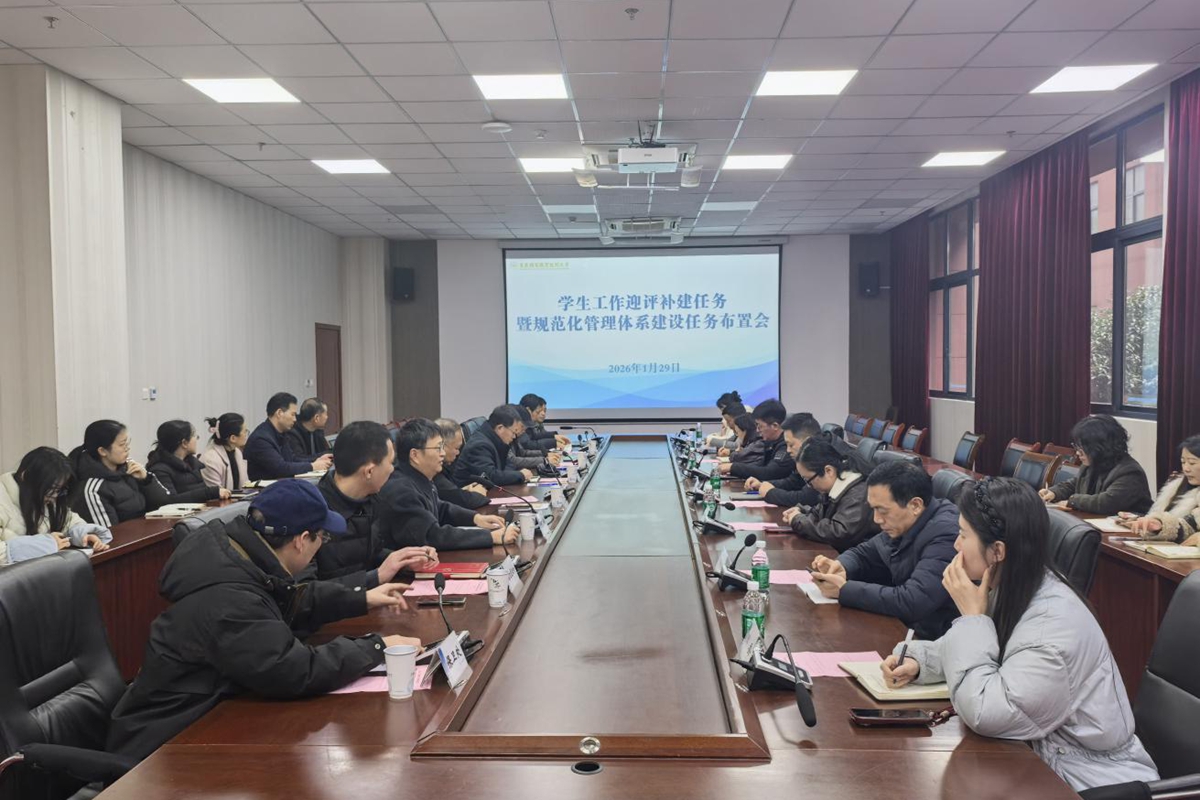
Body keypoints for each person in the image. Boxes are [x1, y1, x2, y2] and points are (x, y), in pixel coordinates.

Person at [106, 480, 424, 762]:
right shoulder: (230, 598)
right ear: (301, 539)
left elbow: (291, 600)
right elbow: (295, 670)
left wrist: (360, 596)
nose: (320, 546)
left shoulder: (242, 556)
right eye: (322, 537)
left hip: (208, 722)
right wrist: (377, 647)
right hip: (162, 749)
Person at [881, 478, 1158, 792]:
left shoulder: (1053, 625)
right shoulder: (1016, 585)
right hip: (1036, 763)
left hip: (1089, 783)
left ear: (998, 550)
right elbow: (987, 648)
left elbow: (987, 712)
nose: (956, 546)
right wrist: (922, 661)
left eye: (963, 535)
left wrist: (972, 619)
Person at [810, 461, 959, 639]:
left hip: (932, 640)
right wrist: (841, 566)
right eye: (873, 509)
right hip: (905, 628)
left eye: (882, 511)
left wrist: (845, 590)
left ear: (915, 505)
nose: (877, 519)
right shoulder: (904, 523)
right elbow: (864, 553)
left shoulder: (946, 534)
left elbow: (913, 601)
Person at [311, 420, 439, 586]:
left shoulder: (371, 498)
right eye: (390, 463)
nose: (393, 469)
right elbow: (305, 592)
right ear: (370, 471)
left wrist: (404, 560)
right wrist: (377, 576)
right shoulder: (311, 511)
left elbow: (371, 555)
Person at [378, 418, 519, 551]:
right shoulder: (401, 490)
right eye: (438, 448)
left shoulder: (419, 477)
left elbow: (441, 508)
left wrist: (476, 518)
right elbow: (431, 536)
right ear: (415, 455)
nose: (442, 453)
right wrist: (490, 537)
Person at [1, 446, 111, 565]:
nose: (55, 496)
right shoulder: (4, 498)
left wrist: (83, 535)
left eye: (59, 490)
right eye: (52, 489)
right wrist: (43, 545)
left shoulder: (46, 497)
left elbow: (69, 521)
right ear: (25, 476)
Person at [746, 413, 871, 508]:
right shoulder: (813, 450)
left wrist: (771, 493)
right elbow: (794, 481)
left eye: (791, 445)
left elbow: (808, 498)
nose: (788, 450)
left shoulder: (826, 455)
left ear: (807, 440)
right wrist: (763, 484)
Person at [1040, 414, 1152, 515]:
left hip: (1128, 529)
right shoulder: (1092, 464)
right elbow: (1074, 484)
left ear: (1101, 447)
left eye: (1082, 448)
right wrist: (1054, 493)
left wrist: (1072, 501)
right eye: (1076, 446)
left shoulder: (1130, 472)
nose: (1077, 453)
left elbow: (1106, 502)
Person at [782, 439, 878, 552]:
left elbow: (839, 533)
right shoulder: (834, 487)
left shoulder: (858, 494)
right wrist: (802, 511)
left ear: (828, 471)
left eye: (809, 481)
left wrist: (799, 521)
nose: (809, 486)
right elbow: (821, 513)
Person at [70, 420, 170, 526]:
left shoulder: (128, 469)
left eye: (127, 443)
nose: (127, 448)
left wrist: (146, 479)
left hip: (149, 531)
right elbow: (107, 533)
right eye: (122, 445)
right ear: (102, 451)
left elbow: (164, 504)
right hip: (131, 536)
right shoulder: (93, 489)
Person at [1123, 434, 1200, 543]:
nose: (1186, 468)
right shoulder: (1178, 485)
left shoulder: (1129, 470)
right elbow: (1188, 526)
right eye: (1183, 462)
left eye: (1192, 463)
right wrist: (1160, 525)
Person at [245, 392, 333, 481]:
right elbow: (281, 468)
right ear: (279, 413)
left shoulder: (281, 433)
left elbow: (293, 459)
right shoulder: (261, 439)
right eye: (292, 414)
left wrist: (317, 460)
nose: (295, 419)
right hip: (267, 488)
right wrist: (312, 466)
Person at [147, 420, 230, 504]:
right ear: (184, 443)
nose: (197, 439)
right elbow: (170, 501)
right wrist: (210, 493)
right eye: (194, 436)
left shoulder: (193, 464)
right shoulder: (159, 470)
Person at [453, 405, 534, 487]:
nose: (514, 437)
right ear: (500, 428)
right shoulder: (480, 445)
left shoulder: (497, 440)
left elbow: (510, 464)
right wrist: (520, 475)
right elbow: (489, 477)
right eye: (513, 432)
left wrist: (509, 475)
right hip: (472, 493)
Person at [719, 399, 793, 481]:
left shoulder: (786, 445)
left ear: (775, 426)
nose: (757, 430)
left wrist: (733, 467)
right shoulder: (770, 442)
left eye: (760, 426)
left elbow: (769, 473)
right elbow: (759, 467)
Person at [433, 418, 489, 510]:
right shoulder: (433, 471)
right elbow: (464, 501)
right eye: (456, 448)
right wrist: (478, 493)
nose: (458, 453)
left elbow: (450, 494)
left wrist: (462, 491)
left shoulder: (446, 466)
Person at [200, 413, 250, 491]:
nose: (246, 435)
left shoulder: (237, 452)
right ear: (233, 438)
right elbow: (216, 493)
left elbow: (244, 485)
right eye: (245, 431)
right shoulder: (210, 460)